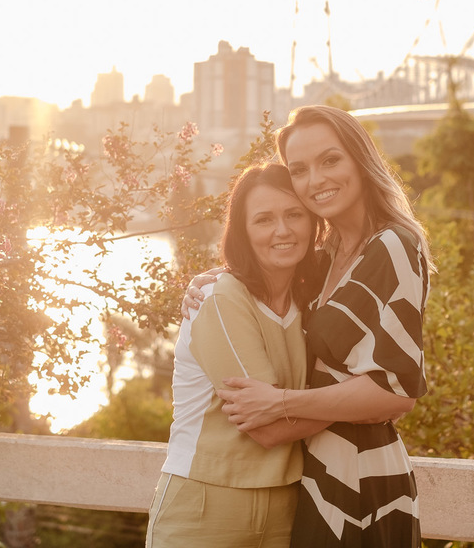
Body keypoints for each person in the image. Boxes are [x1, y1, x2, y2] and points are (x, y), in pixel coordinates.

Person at [214, 105, 433, 548]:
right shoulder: (328, 254)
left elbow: (396, 391)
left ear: (359, 158)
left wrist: (279, 403)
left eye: (330, 160)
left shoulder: (392, 246)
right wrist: (214, 280)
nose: (316, 181)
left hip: (361, 475)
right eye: (299, 170)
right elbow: (267, 284)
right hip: (317, 468)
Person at [147, 163, 328, 547]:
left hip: (286, 505)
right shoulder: (220, 298)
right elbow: (268, 427)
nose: (282, 230)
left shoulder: (312, 301)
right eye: (263, 220)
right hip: (204, 505)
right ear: (243, 233)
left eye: (294, 214)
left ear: (312, 222)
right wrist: (364, 407)